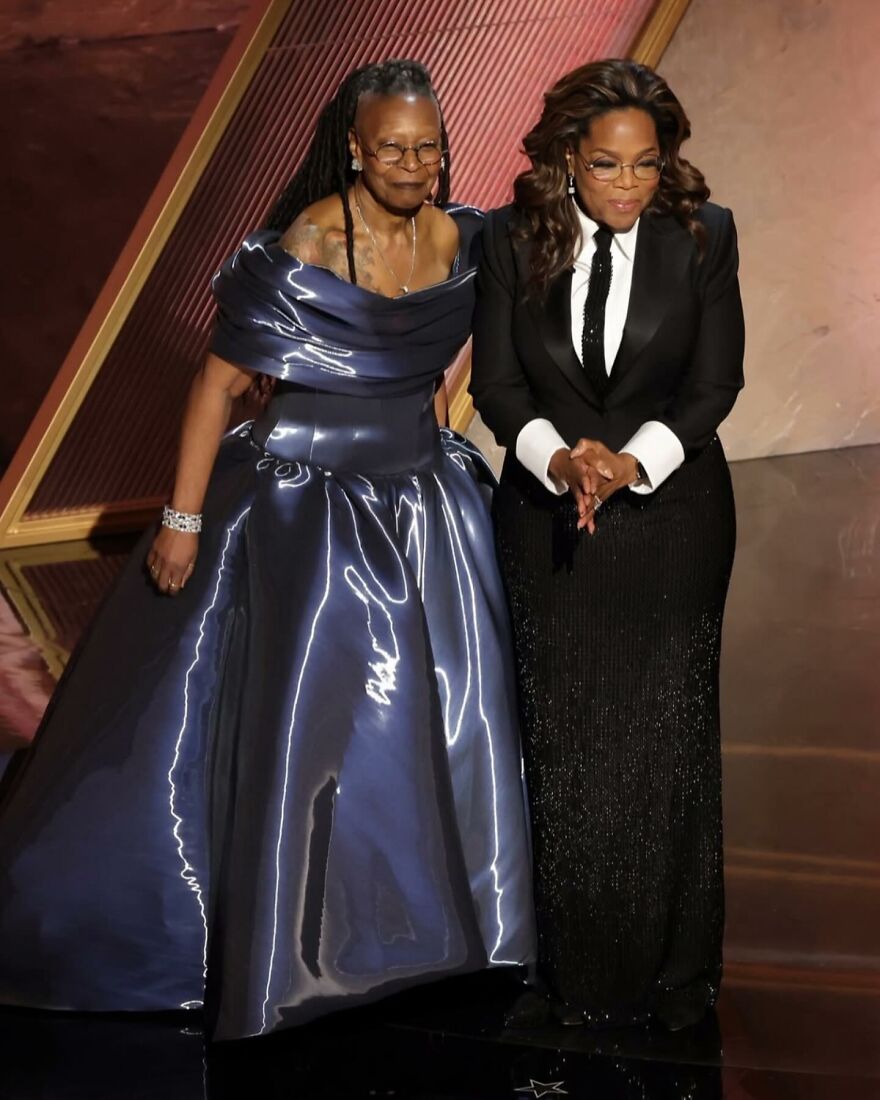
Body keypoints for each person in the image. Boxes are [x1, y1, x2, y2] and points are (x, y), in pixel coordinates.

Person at [0, 59, 535, 1042]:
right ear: (352, 149)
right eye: (393, 149)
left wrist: (434, 427)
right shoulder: (309, 243)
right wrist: (184, 518)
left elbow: (430, 350)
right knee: (324, 726)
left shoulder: (457, 231)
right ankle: (299, 943)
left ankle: (420, 932)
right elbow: (215, 386)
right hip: (306, 505)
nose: (415, 165)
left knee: (431, 713)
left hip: (420, 499)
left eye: (429, 146)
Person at [470, 58, 744, 1030]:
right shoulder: (508, 239)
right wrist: (559, 462)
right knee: (563, 736)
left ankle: (676, 971)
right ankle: (564, 970)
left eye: (645, 164)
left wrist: (628, 464)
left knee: (663, 737)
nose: (627, 185)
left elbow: (713, 387)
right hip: (545, 514)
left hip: (673, 518)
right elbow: (499, 388)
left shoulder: (701, 236)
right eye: (605, 166)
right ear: (564, 161)